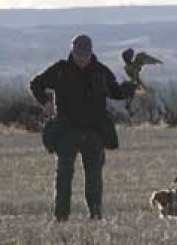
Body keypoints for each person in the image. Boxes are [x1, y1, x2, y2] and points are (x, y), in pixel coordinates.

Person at [30, 34, 140, 221]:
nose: (82, 59)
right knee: (63, 176)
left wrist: (129, 88)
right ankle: (61, 216)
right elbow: (35, 84)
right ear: (72, 52)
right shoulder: (60, 70)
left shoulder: (101, 71)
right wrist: (45, 102)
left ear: (91, 53)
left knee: (94, 178)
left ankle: (95, 215)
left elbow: (115, 92)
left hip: (94, 131)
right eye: (78, 55)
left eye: (85, 55)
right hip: (66, 131)